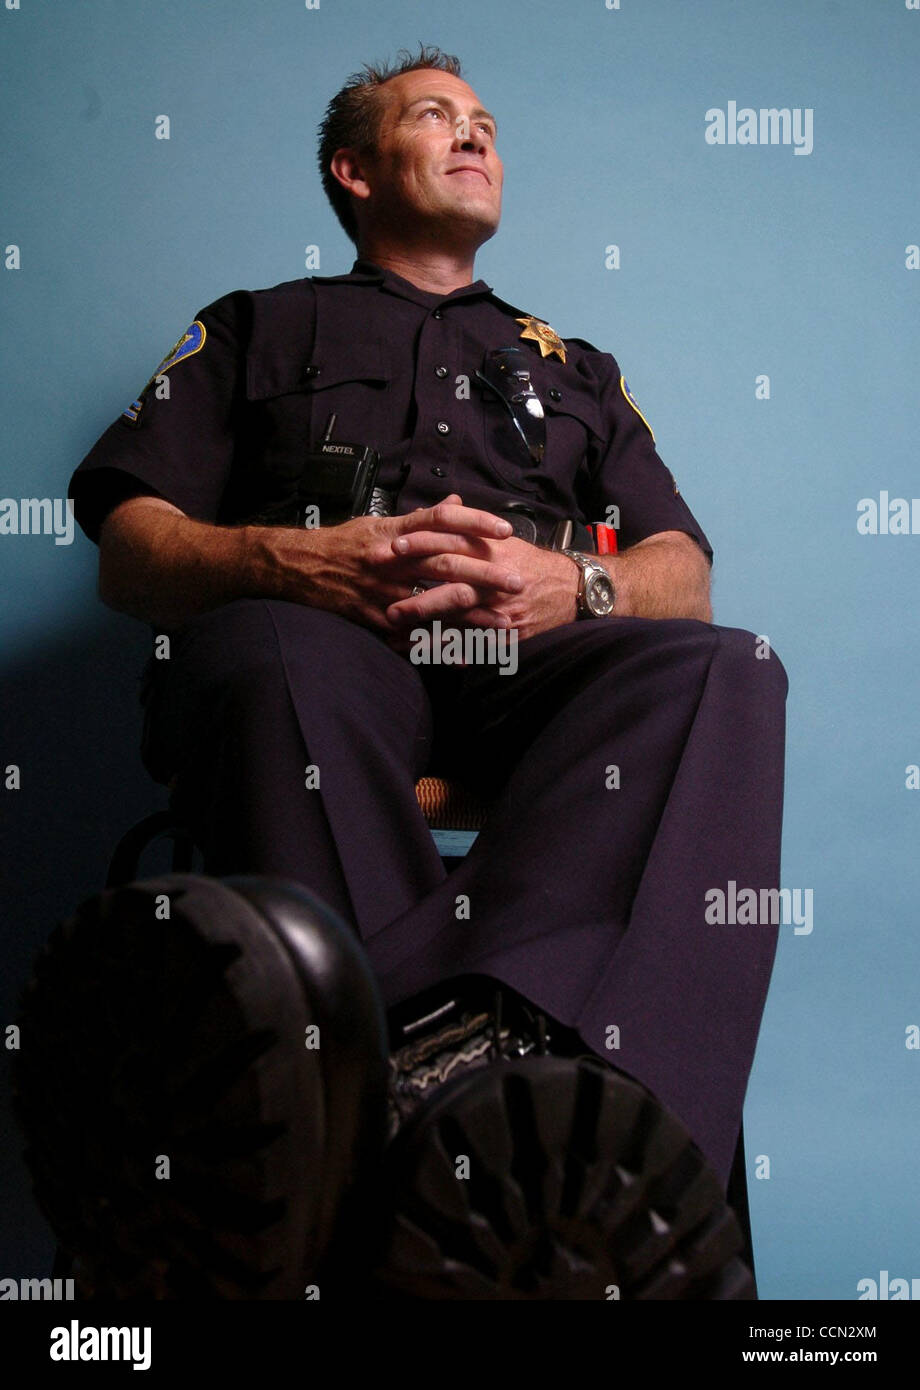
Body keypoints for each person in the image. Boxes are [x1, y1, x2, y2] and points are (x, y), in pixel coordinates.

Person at [51, 46, 787, 1298]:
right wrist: (289, 561)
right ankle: (444, 1123)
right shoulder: (254, 325)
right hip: (326, 643)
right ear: (353, 169)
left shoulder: (576, 366)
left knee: (725, 670)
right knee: (270, 654)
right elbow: (131, 550)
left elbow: (682, 567)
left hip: (529, 668)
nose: (474, 135)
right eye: (436, 117)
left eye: (487, 121)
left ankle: (498, 1106)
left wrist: (577, 586)